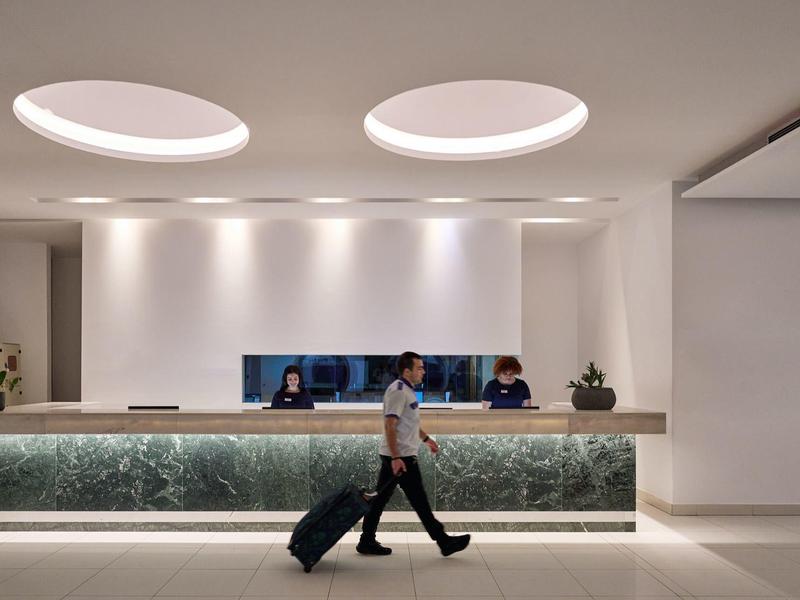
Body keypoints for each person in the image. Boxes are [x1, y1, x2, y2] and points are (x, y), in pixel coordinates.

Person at [357, 351, 470, 557]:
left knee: (380, 501)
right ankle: (443, 541)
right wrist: (396, 457)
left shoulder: (407, 391)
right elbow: (390, 425)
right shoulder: (398, 391)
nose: (423, 371)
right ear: (407, 371)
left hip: (401, 455)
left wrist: (426, 440)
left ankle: (366, 541)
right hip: (401, 457)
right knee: (419, 502)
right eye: (419, 368)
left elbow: (408, 423)